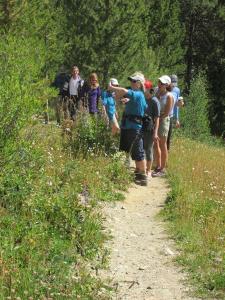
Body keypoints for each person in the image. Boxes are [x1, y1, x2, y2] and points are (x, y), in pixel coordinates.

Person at [108, 72, 148, 186]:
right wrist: (129, 102)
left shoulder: (138, 94)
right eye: (131, 80)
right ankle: (137, 173)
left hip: (134, 127)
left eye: (134, 81)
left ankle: (143, 175)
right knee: (129, 151)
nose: (131, 82)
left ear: (139, 84)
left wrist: (112, 88)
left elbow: (124, 91)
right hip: (128, 126)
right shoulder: (138, 96)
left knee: (138, 152)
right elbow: (144, 106)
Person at [152, 75, 174, 177]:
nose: (160, 84)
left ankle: (163, 168)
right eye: (159, 82)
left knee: (162, 144)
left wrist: (159, 119)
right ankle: (158, 165)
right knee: (156, 143)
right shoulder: (157, 92)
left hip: (164, 120)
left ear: (167, 85)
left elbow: (167, 112)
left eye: (162, 83)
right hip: (156, 119)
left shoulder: (169, 96)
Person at [143, 80, 160, 179]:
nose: (143, 90)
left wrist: (155, 132)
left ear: (149, 89)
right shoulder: (143, 98)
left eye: (144, 88)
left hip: (150, 128)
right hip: (141, 126)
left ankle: (148, 171)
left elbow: (157, 118)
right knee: (141, 148)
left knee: (148, 149)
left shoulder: (154, 101)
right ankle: (141, 169)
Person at [167, 74, 183, 150]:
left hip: (171, 115)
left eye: (175, 83)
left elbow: (177, 105)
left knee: (168, 137)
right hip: (163, 114)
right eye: (172, 82)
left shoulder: (177, 90)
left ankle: (166, 154)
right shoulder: (165, 88)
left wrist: (177, 119)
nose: (173, 85)